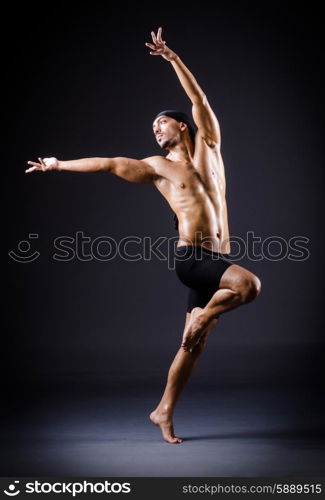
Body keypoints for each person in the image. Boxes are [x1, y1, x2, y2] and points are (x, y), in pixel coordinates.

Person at [26, 27, 261, 444]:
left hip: (217, 258)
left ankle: (163, 411)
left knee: (192, 346)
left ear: (183, 127)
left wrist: (172, 58)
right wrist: (58, 164)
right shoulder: (158, 167)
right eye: (153, 126)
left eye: (162, 122)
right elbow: (108, 163)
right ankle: (205, 316)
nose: (155, 129)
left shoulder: (210, 149)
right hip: (193, 261)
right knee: (248, 285)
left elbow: (200, 101)